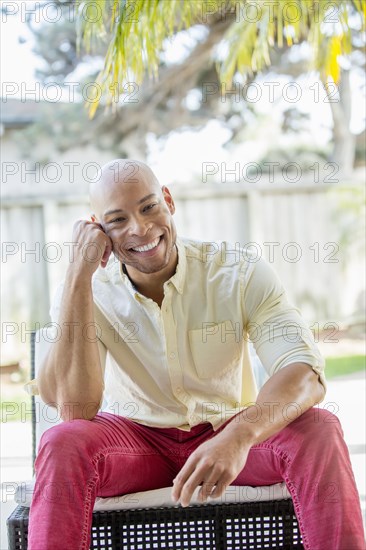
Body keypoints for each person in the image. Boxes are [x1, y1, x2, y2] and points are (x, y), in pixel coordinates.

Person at [28, 159, 364, 550]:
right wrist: (77, 273)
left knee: (319, 428)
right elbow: (75, 408)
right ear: (98, 229)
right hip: (135, 444)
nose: (139, 228)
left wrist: (238, 437)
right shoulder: (86, 290)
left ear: (168, 201)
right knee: (61, 441)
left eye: (149, 207)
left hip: (228, 430)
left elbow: (303, 371)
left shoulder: (237, 270)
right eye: (117, 220)